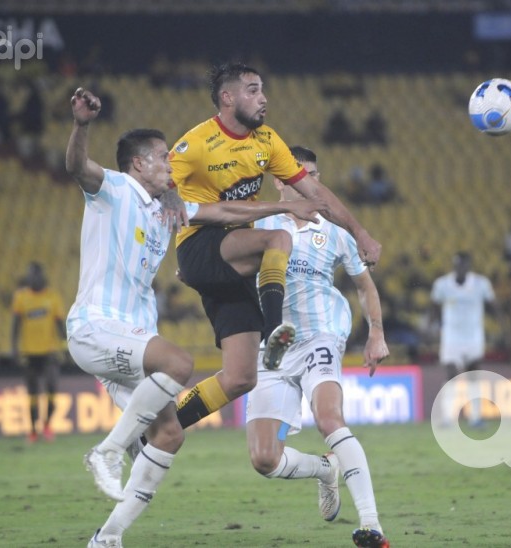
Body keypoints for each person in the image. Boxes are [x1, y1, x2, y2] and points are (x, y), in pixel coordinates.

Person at [64, 88, 323, 548]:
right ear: (139, 165)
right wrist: (82, 125)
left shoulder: (170, 208)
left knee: (167, 435)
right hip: (96, 325)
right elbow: (76, 168)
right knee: (179, 365)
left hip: (132, 335)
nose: (173, 163)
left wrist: (284, 206)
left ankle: (107, 537)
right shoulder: (114, 189)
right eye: (164, 158)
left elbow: (223, 210)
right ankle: (106, 451)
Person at [169, 62, 381, 430]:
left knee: (240, 378)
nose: (263, 98)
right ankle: (273, 333)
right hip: (201, 244)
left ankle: (160, 428)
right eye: (253, 90)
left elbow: (315, 193)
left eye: (263, 89)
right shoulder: (195, 145)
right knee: (278, 239)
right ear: (227, 97)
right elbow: (153, 194)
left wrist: (359, 232)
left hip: (235, 256)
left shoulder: (266, 141)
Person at [246, 146, 390, 548]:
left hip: (319, 335)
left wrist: (376, 332)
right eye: (299, 174)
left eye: (314, 174)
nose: (309, 182)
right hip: (271, 344)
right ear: (279, 179)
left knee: (329, 419)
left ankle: (371, 525)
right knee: (264, 459)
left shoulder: (335, 232)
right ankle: (326, 471)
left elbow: (364, 285)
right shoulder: (259, 223)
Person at [429, 252, 505, 428]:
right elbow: (433, 307)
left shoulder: (481, 284)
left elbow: (494, 306)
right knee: (451, 375)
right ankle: (448, 418)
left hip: (473, 337)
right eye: (457, 265)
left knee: (473, 376)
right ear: (454, 266)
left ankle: (475, 418)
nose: (460, 268)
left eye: (463, 265)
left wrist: (503, 325)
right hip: (451, 337)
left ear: (468, 266)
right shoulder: (442, 285)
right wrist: (429, 327)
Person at [10, 261, 66, 443]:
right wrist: (14, 347)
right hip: (29, 352)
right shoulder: (21, 297)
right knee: (32, 393)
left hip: (50, 352)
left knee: (52, 388)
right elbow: (15, 325)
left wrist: (67, 345)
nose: (31, 278)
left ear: (41, 276)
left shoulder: (53, 297)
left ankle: (47, 425)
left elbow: (60, 325)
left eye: (34, 274)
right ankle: (33, 431)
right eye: (29, 275)